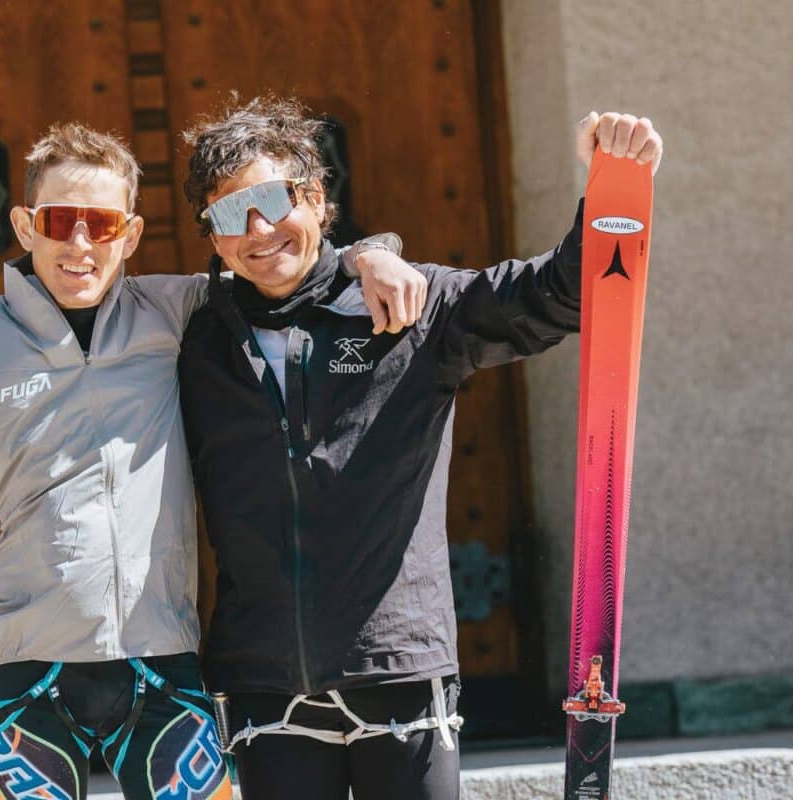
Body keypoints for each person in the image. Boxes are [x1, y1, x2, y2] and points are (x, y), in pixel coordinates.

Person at [0, 121, 424, 800]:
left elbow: (287, 270)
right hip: (27, 667)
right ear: (25, 226)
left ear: (131, 235)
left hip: (161, 661)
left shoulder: (174, 310)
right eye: (60, 221)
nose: (80, 244)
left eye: (103, 225)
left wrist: (372, 254)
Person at [166, 98, 662, 800]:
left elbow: (557, 297)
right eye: (227, 214)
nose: (257, 230)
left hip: (398, 666)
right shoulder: (192, 338)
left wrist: (612, 185)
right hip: (264, 684)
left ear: (317, 199)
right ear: (210, 236)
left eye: (273, 201)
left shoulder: (409, 306)